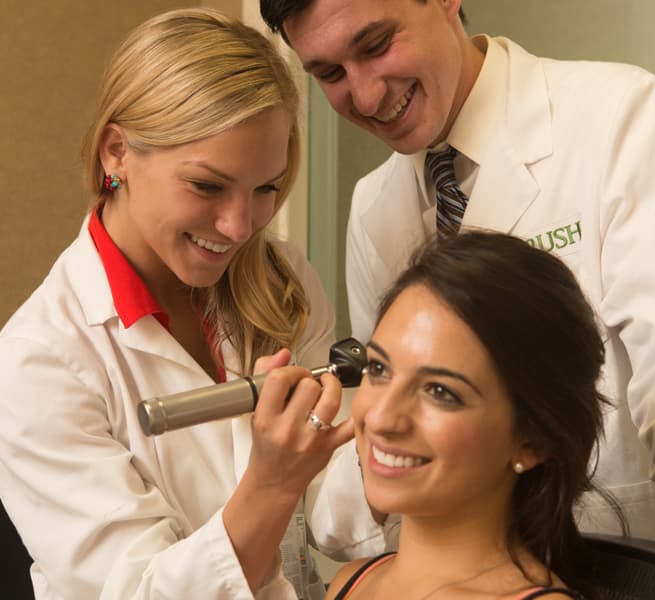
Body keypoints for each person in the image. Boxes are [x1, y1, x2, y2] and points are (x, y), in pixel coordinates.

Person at [259, 0, 655, 597]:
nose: (366, 95)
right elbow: (389, 409)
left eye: (377, 44)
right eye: (329, 74)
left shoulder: (619, 117)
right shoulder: (374, 206)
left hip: (612, 560)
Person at [0, 8, 382, 599]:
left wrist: (398, 441)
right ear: (116, 153)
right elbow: (140, 593)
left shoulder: (282, 283)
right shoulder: (37, 362)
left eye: (266, 189)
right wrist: (271, 481)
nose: (238, 226)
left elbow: (332, 516)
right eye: (206, 186)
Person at [329, 230, 618, 600]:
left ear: (533, 442)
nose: (382, 419)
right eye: (379, 369)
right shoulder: (352, 583)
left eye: (440, 392)